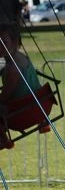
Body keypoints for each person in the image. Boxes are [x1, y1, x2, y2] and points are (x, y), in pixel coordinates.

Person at [0, 22, 42, 150]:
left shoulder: (13, 68)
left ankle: (3, 140)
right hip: (35, 103)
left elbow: (5, 96)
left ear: (14, 42)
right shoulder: (19, 57)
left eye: (4, 42)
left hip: (25, 110)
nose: (0, 47)